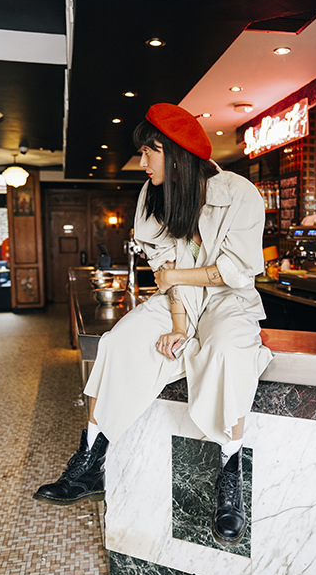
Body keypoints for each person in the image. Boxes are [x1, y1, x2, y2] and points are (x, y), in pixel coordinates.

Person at [34, 103, 272, 547]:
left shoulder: (240, 194)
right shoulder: (154, 196)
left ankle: (230, 472)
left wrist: (177, 279)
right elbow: (165, 270)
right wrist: (179, 326)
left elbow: (236, 271)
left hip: (230, 299)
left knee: (225, 349)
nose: (142, 163)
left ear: (176, 153)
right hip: (179, 298)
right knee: (120, 341)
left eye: (149, 152)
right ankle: (92, 460)